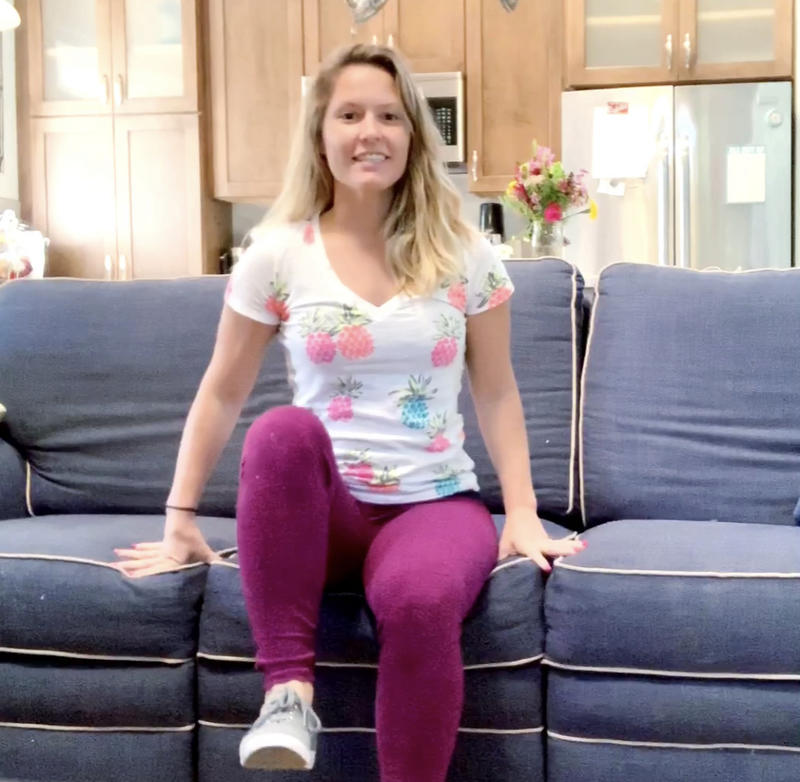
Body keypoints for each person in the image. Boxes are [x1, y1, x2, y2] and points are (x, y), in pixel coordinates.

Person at [112, 42, 586, 782]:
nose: (371, 131)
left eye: (390, 116)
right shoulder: (275, 254)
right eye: (350, 114)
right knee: (282, 431)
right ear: (320, 134)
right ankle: (288, 698)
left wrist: (521, 513)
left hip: (434, 505)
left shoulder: (465, 253)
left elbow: (496, 390)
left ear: (414, 136)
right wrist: (179, 517)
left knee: (421, 600)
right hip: (323, 512)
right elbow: (222, 390)